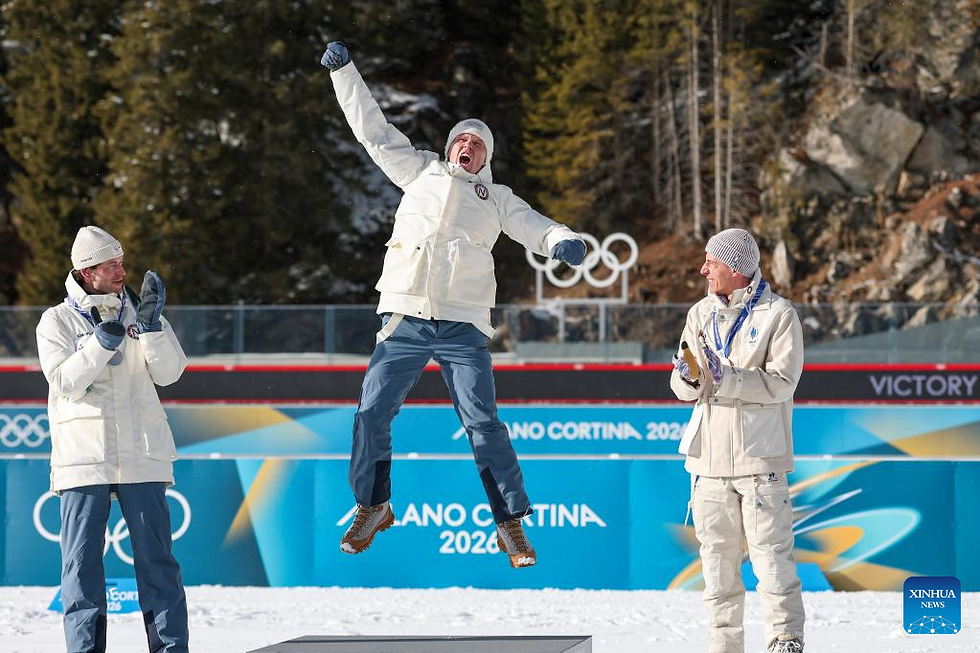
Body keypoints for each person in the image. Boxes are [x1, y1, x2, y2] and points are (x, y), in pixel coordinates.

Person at [319, 40, 586, 568]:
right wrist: (345, 73)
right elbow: (372, 130)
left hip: (463, 325)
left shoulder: (498, 198)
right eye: (461, 139)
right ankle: (373, 506)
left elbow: (536, 225)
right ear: (448, 148)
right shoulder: (417, 172)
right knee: (372, 410)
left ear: (486, 157)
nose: (468, 146)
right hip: (406, 316)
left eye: (477, 143)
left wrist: (562, 241)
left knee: (482, 420)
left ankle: (509, 522)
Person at [35, 226, 189, 653]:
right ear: (86, 271)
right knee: (81, 568)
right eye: (111, 264)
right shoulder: (57, 320)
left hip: (142, 454)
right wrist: (99, 345)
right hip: (84, 459)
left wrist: (153, 328)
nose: (122, 270)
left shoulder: (142, 312)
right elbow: (65, 380)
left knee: (159, 565)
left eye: (122, 261)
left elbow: (170, 373)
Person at [670, 228, 805, 653]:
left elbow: (782, 383)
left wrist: (724, 376)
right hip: (708, 464)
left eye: (710, 261)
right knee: (717, 572)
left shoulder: (779, 315)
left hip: (759, 462)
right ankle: (723, 648)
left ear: (734, 266)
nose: (702, 269)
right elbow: (682, 384)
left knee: (772, 564)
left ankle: (785, 640)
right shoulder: (699, 313)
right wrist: (690, 378)